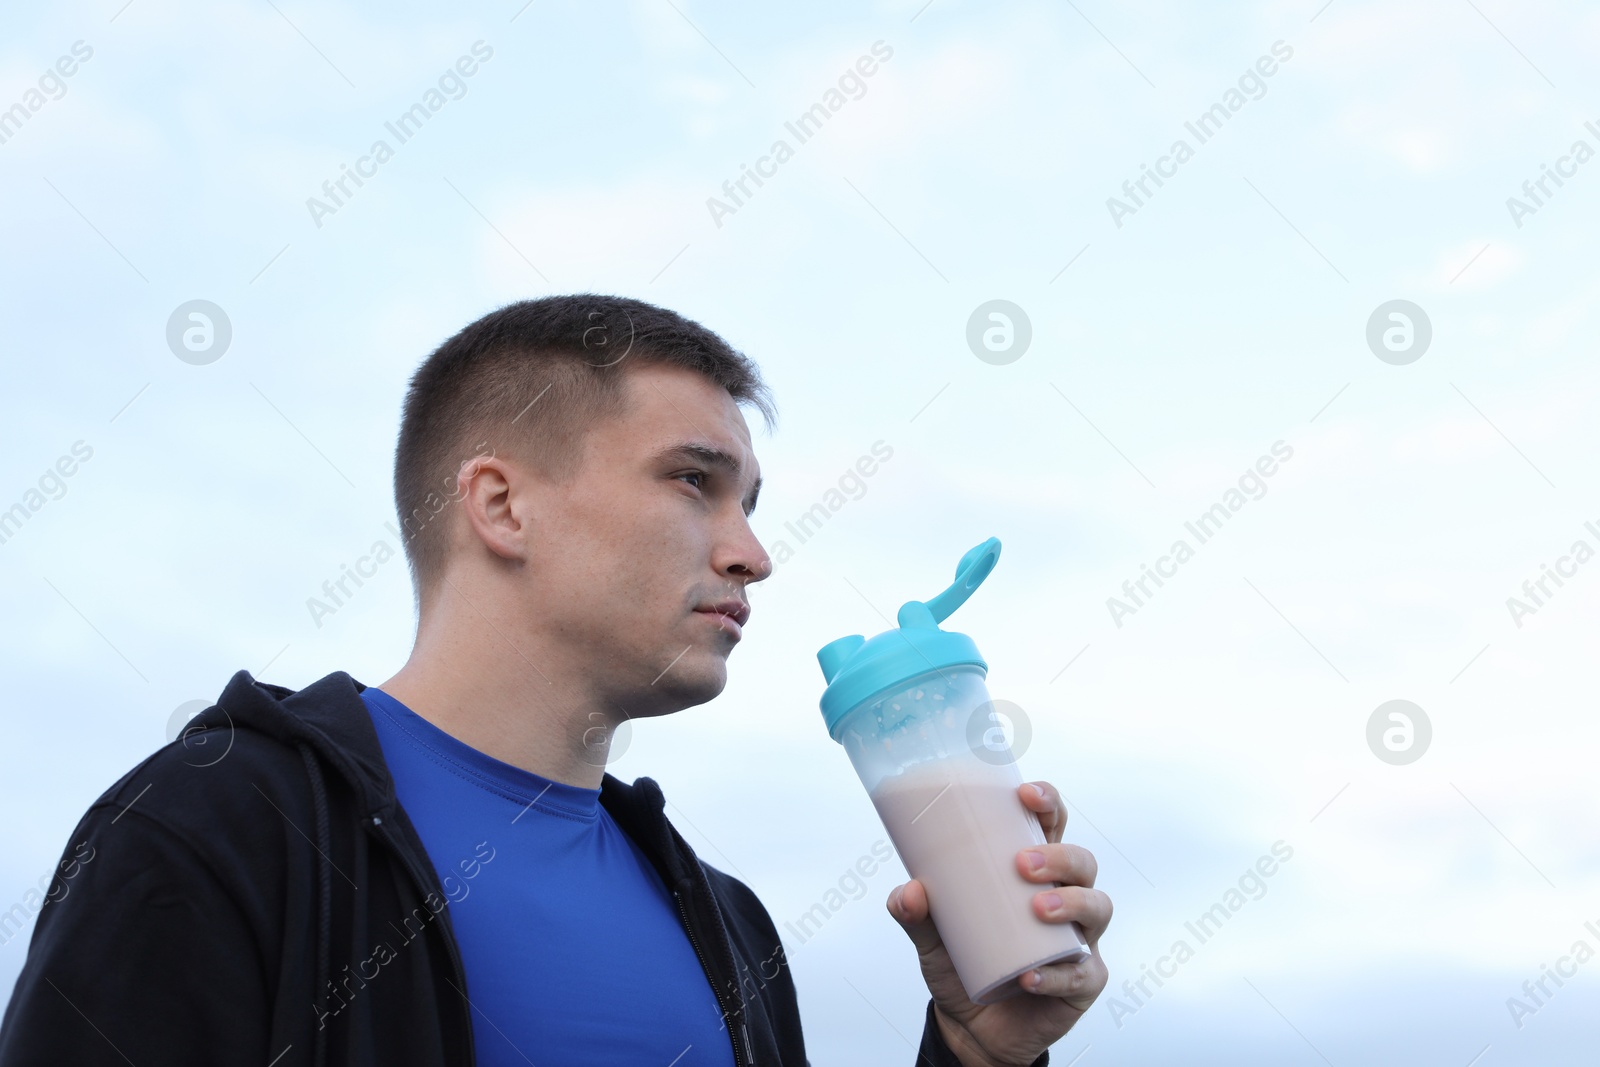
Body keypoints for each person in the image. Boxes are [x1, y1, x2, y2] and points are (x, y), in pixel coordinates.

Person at [0, 295, 1111, 1066]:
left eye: (752, 504)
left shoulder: (728, 921)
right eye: (692, 481)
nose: (751, 552)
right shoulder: (218, 828)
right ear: (498, 504)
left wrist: (977, 1051)